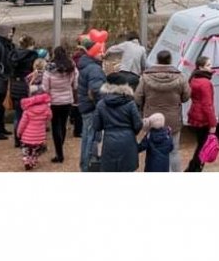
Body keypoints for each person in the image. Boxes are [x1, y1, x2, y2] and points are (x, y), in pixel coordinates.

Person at [134, 49, 191, 172]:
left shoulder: (145, 77)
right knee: (174, 150)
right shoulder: (180, 77)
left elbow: (137, 98)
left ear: (157, 60)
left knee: (152, 149)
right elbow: (186, 97)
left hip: (151, 119)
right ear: (170, 60)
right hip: (173, 119)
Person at [93, 72, 144, 172]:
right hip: (127, 140)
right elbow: (138, 124)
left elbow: (96, 126)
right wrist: (131, 132)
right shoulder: (130, 103)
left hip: (109, 141)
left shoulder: (101, 104)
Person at [43, 46, 79, 163]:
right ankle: (60, 148)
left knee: (55, 126)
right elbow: (75, 84)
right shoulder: (71, 67)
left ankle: (59, 153)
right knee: (63, 124)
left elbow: (45, 87)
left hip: (54, 101)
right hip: (67, 100)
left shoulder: (49, 68)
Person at [76, 41, 106, 172]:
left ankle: (85, 164)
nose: (103, 54)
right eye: (100, 52)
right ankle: (88, 165)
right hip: (92, 108)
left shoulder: (86, 65)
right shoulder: (94, 69)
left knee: (87, 136)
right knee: (91, 137)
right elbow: (96, 89)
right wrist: (102, 105)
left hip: (85, 106)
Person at [185, 56, 218, 172]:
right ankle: (194, 168)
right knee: (203, 146)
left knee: (201, 144)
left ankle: (193, 167)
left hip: (195, 114)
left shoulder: (194, 79)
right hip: (203, 118)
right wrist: (213, 123)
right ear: (201, 67)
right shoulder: (205, 83)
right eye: (208, 65)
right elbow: (207, 105)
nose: (211, 67)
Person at [9, 35, 39, 148]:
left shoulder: (13, 54)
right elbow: (35, 70)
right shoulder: (32, 55)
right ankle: (25, 138)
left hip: (15, 85)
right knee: (27, 114)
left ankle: (17, 139)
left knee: (18, 114)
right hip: (27, 86)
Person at [17, 90, 52, 170]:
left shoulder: (27, 110)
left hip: (27, 136)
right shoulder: (47, 109)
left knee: (26, 151)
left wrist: (19, 132)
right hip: (39, 136)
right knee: (35, 151)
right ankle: (33, 161)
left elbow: (22, 123)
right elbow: (49, 118)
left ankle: (26, 161)